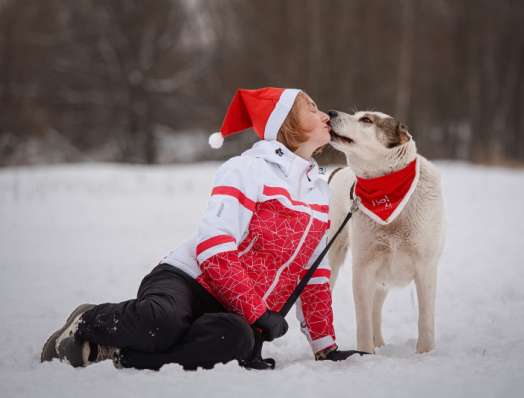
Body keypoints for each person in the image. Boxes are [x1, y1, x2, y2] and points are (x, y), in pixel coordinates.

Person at [40, 87, 364, 371]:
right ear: (285, 123)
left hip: (234, 312)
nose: (324, 114)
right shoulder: (247, 169)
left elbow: (314, 275)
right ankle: (87, 322)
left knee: (234, 340)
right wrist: (258, 312)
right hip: (188, 280)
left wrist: (326, 348)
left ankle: (120, 357)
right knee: (164, 321)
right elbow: (214, 247)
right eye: (310, 107)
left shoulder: (318, 193)